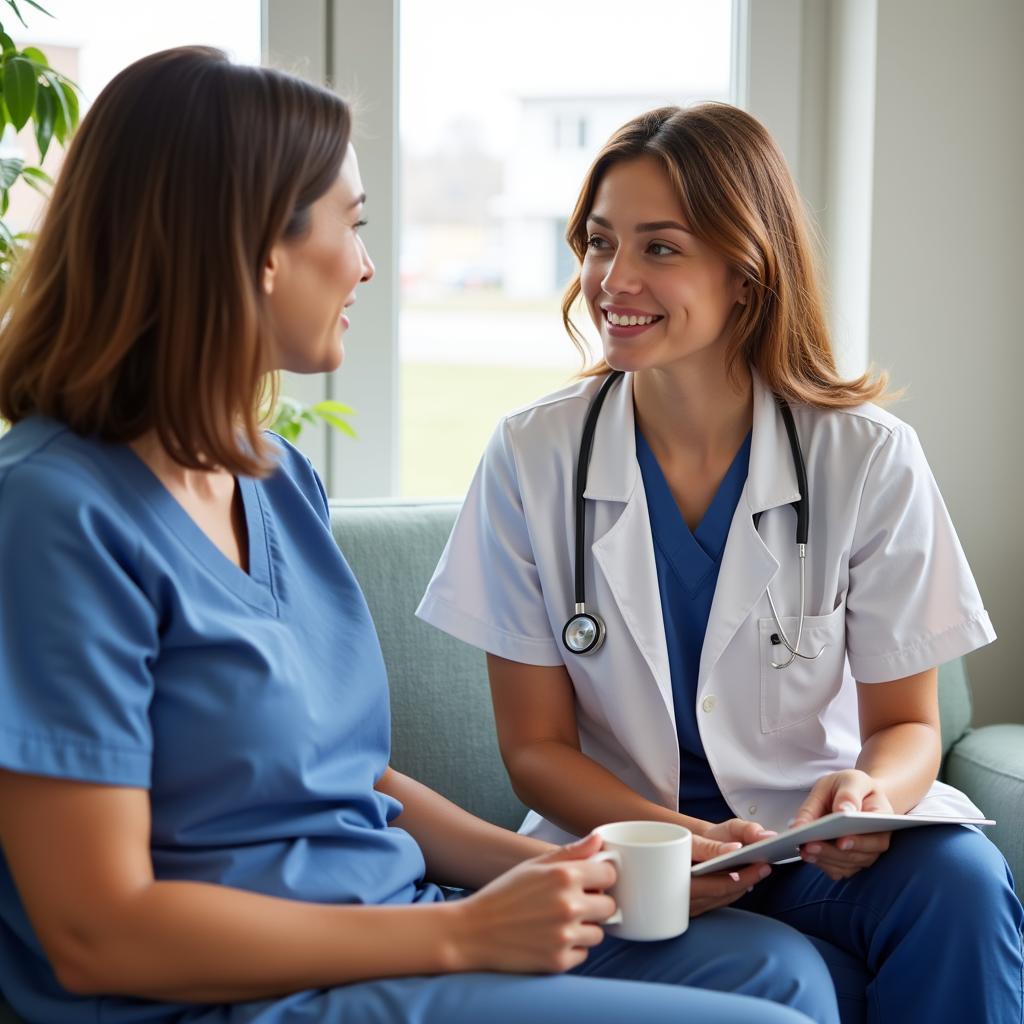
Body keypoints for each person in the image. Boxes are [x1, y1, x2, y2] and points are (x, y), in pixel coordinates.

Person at [0, 49, 841, 1024]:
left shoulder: (270, 476)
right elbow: (99, 931)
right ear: (256, 247)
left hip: (388, 926)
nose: (365, 264)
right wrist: (463, 933)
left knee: (778, 970)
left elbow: (354, 777)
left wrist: (576, 869)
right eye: (352, 226)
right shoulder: (54, 517)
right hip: (245, 991)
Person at [417, 103, 1024, 1023]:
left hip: (813, 842)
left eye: (660, 248)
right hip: (630, 851)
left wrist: (870, 794)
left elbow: (907, 723)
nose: (613, 279)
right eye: (598, 242)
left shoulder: (864, 457)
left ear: (746, 270)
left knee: (965, 882)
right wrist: (675, 842)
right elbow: (534, 749)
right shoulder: (533, 456)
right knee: (795, 981)